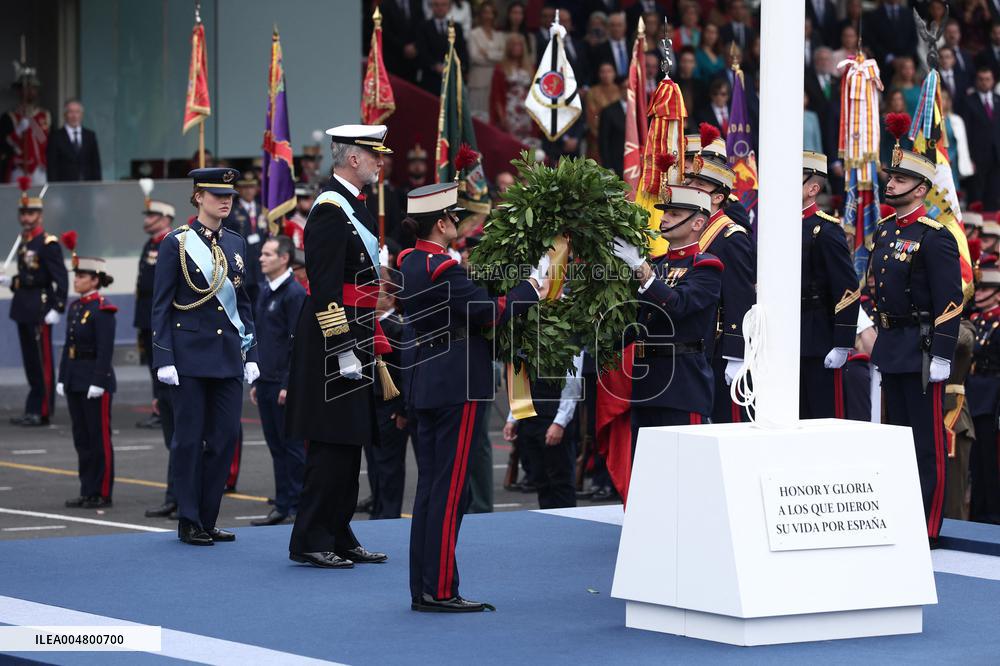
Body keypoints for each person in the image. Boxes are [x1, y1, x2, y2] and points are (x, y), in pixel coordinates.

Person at [398, 181, 547, 612]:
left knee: (431, 489)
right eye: (454, 219)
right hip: (456, 382)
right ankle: (441, 589)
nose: (458, 225)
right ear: (441, 223)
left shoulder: (410, 261)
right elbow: (488, 312)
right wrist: (531, 290)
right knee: (450, 491)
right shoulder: (443, 268)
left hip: (426, 378)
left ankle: (423, 586)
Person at [285, 124, 392, 569]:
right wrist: (344, 347)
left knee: (351, 443)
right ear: (353, 159)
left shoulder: (356, 206)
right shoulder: (331, 209)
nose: (380, 163)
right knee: (331, 445)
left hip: (359, 333)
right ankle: (311, 536)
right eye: (375, 156)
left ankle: (339, 531)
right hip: (335, 342)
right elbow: (325, 286)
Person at [151, 167, 260, 546]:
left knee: (226, 437)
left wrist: (252, 352)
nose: (225, 200)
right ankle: (189, 518)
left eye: (228, 194)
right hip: (189, 358)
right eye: (216, 194)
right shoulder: (175, 243)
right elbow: (161, 305)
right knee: (188, 439)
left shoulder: (236, 243)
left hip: (228, 356)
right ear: (198, 197)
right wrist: (163, 357)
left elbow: (243, 303)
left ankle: (209, 517)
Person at [869, 137, 963, 546]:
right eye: (891, 176)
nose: (890, 184)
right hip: (893, 344)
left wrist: (943, 350)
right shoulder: (886, 230)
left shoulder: (935, 235)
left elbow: (950, 298)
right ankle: (903, 514)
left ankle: (928, 523)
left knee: (926, 441)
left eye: (901, 178)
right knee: (898, 438)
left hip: (923, 349)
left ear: (921, 189)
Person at [613, 183, 723, 434]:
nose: (663, 218)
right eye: (665, 212)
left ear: (697, 223)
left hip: (683, 384)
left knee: (687, 468)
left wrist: (640, 267)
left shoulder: (706, 266)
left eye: (674, 214)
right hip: (646, 383)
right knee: (646, 468)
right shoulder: (656, 265)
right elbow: (636, 322)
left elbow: (678, 305)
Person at [685, 142, 756, 424]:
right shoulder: (693, 228)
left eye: (700, 184)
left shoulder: (731, 236)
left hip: (718, 347)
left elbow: (740, 297)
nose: (692, 188)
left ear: (717, 197)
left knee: (724, 421)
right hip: (696, 340)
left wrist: (736, 354)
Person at [250, 236, 307, 526]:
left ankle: (298, 504)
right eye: (262, 253)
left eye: (268, 254)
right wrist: (257, 379)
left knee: (293, 446)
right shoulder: (265, 291)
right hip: (267, 380)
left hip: (286, 383)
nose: (262, 258)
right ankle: (283, 502)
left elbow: (296, 342)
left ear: (284, 258)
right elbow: (262, 338)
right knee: (275, 445)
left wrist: (288, 382)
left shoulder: (293, 294)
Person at [799, 151, 860, 419]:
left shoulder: (824, 229)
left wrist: (842, 342)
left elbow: (846, 288)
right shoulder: (776, 224)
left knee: (821, 415)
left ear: (813, 188)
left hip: (816, 333)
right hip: (785, 335)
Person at [0, 184, 67, 426]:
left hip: (40, 309)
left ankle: (43, 409)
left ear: (40, 216)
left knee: (42, 362)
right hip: (23, 308)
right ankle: (32, 407)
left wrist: (57, 308)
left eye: (31, 214)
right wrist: (11, 281)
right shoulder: (24, 243)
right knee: (30, 362)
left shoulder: (47, 244)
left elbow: (60, 279)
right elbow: (28, 277)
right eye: (23, 214)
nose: (26, 218)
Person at [58, 252, 116, 509]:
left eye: (81, 276)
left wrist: (98, 381)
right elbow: (67, 346)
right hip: (75, 378)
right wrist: (62, 378)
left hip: (94, 380)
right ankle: (87, 489)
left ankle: (102, 491)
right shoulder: (76, 307)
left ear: (95, 280)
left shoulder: (102, 309)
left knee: (98, 437)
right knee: (81, 438)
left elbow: (105, 350)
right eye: (77, 276)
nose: (77, 280)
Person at [0, 64, 50, 184]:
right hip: (18, 168)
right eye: (26, 88)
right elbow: (4, 145)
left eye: (33, 88)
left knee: (39, 200)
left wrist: (33, 123)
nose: (30, 91)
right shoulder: (10, 117)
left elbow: (45, 141)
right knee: (17, 200)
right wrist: (18, 131)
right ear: (19, 91)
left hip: (39, 169)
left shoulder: (45, 115)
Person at [224, 172, 266, 305]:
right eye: (245, 187)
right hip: (242, 262)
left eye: (252, 187)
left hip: (260, 265)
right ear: (239, 189)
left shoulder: (262, 210)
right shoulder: (231, 211)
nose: (249, 190)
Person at [489, 33, 539, 148]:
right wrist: (502, 117)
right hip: (510, 112)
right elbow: (496, 95)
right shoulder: (501, 68)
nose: (516, 48)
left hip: (527, 113)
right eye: (513, 45)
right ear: (508, 47)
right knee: (511, 145)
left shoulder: (530, 68)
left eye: (519, 45)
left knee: (527, 147)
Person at [961, 66, 1000, 211]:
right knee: (976, 196)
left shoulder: (998, 100)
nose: (984, 82)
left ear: (993, 81)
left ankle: (991, 231)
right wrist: (968, 158)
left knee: (994, 195)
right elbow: (965, 131)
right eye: (981, 79)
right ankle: (976, 231)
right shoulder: (968, 101)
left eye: (987, 79)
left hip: (996, 157)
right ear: (976, 81)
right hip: (977, 158)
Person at [416, 0, 469, 94]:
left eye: (444, 5)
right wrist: (435, 65)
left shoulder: (457, 27)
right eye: (436, 5)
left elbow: (462, 51)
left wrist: (455, 66)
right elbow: (422, 51)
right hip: (430, 80)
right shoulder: (423, 27)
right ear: (432, 7)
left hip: (452, 80)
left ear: (449, 7)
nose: (440, 8)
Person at [45, 99, 101, 182]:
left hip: (87, 186)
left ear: (81, 115)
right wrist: (54, 189)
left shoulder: (90, 136)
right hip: (64, 187)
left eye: (77, 112)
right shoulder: (55, 137)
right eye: (71, 112)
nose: (74, 116)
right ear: (65, 115)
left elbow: (95, 164)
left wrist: (98, 187)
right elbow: (52, 166)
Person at [467, 1, 505, 121]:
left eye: (491, 13)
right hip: (478, 80)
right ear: (480, 15)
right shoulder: (473, 34)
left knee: (493, 116)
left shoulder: (499, 35)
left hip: (495, 79)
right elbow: (475, 57)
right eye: (485, 12)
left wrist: (487, 53)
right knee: (477, 117)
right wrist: (495, 55)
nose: (488, 16)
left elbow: (503, 57)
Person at [587, 63, 622, 164]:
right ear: (599, 74)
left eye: (609, 71)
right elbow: (591, 117)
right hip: (597, 140)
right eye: (603, 72)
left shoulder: (619, 91)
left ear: (614, 74)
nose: (606, 75)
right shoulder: (592, 92)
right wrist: (603, 136)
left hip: (618, 140)